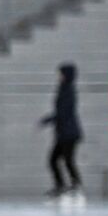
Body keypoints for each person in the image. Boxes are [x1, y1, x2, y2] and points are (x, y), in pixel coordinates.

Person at [40, 62, 83, 200]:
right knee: (55, 160)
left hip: (69, 133)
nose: (59, 76)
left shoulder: (68, 90)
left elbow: (63, 113)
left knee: (66, 159)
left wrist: (48, 120)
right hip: (64, 133)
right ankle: (62, 186)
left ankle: (75, 185)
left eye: (61, 73)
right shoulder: (64, 89)